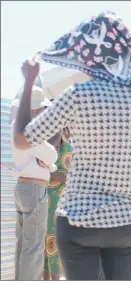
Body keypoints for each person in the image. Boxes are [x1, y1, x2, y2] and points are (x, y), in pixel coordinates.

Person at [12, 12, 131, 280]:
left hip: (79, 223)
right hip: (127, 224)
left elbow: (22, 139)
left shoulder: (77, 95)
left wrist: (28, 84)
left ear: (86, 55)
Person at [11, 87, 57, 280]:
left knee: (23, 246)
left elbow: (47, 161)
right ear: (36, 108)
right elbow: (51, 155)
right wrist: (47, 163)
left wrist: (47, 163)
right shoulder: (30, 127)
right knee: (33, 248)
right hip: (35, 189)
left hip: (23, 186)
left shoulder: (15, 125)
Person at [44, 131, 72, 280]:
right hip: (42, 200)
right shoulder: (42, 146)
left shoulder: (67, 149)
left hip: (58, 204)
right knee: (42, 245)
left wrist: (49, 174)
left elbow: (69, 176)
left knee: (54, 243)